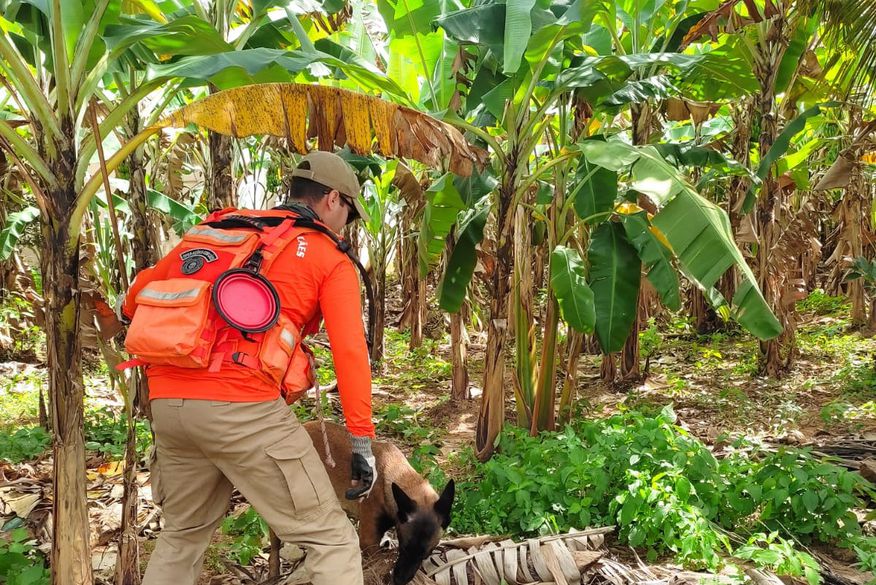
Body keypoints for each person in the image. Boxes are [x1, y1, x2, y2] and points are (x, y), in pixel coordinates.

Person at [122, 151, 376, 585]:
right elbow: (351, 352)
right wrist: (362, 442)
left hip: (168, 404)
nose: (345, 227)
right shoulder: (327, 256)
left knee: (182, 535)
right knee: (331, 540)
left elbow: (135, 300)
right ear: (333, 199)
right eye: (349, 214)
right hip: (240, 407)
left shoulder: (218, 230)